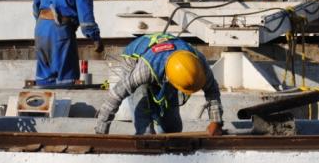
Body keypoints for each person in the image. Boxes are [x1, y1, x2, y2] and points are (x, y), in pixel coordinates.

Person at [94, 33, 223, 135]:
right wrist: (101, 129)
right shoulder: (143, 71)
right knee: (144, 127)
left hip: (165, 62)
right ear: (169, 77)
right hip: (135, 58)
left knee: (172, 128)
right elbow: (116, 95)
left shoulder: (199, 64)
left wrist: (216, 122)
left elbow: (212, 91)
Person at [32, 0, 103, 87]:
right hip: (60, 33)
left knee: (44, 80)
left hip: (40, 29)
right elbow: (86, 21)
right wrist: (96, 39)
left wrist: (43, 23)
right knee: (66, 79)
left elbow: (36, 5)